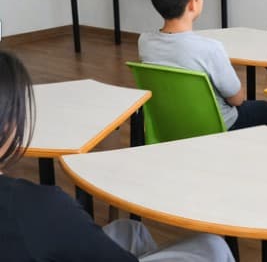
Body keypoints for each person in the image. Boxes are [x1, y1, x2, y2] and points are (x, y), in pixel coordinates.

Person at [0, 50, 235, 261]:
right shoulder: (40, 208)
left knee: (131, 229)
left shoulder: (37, 211)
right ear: (8, 125)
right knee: (212, 245)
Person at [138, 0, 267, 131]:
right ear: (192, 4)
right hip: (218, 126)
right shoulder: (210, 49)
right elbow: (237, 99)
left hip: (173, 124)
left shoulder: (145, 42)